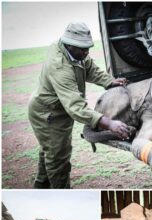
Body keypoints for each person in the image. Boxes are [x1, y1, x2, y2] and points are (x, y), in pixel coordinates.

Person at [28, 22, 130, 189]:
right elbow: (76, 107)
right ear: (69, 44)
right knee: (58, 158)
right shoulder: (60, 65)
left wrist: (109, 81)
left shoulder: (74, 52)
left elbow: (90, 68)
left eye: (88, 47)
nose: (86, 52)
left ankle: (41, 187)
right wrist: (109, 123)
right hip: (48, 115)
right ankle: (61, 192)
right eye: (82, 49)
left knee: (49, 151)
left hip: (57, 110)